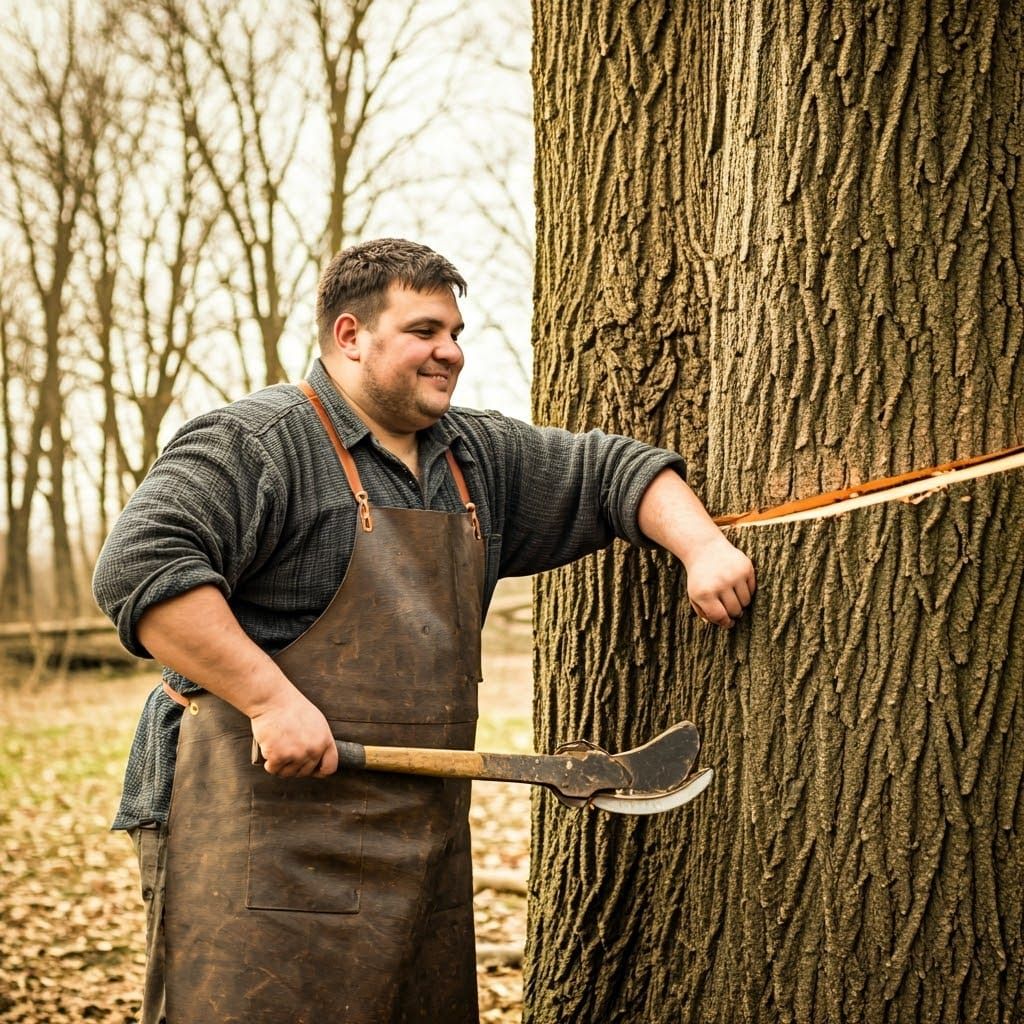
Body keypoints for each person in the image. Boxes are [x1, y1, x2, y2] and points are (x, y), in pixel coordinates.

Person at [93, 238, 755, 1024]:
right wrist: (269, 700)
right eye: (425, 331)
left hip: (415, 829)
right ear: (350, 336)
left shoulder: (475, 456)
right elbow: (140, 569)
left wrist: (702, 546)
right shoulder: (257, 443)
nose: (451, 352)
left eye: (456, 334)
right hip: (250, 824)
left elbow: (617, 471)